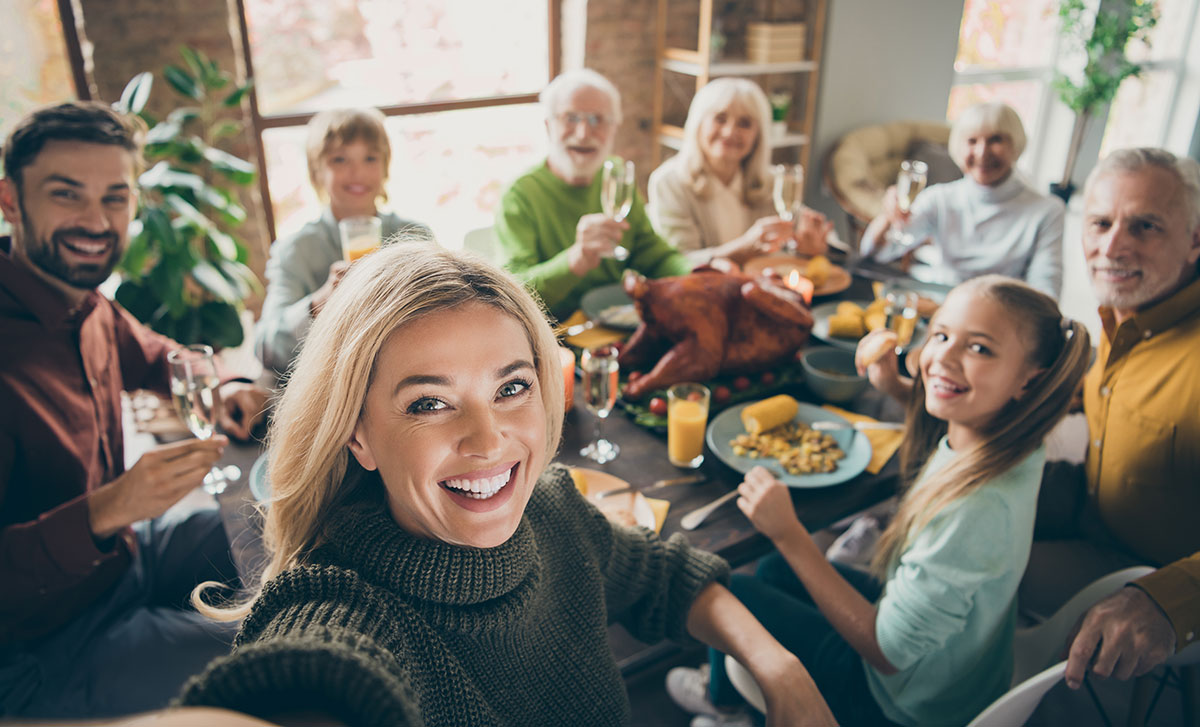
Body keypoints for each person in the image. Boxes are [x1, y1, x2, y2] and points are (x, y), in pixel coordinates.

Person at [176, 243, 836, 727]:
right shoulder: (347, 609)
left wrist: (778, 665)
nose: (488, 438)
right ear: (357, 434)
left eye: (511, 387)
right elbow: (299, 689)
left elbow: (664, 575)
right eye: (428, 402)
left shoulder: (552, 512)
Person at [668, 275, 1091, 727]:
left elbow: (886, 652)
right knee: (773, 568)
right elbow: (957, 424)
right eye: (943, 334)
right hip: (957, 666)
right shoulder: (1015, 441)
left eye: (980, 348)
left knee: (728, 589)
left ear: (1029, 381)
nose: (943, 356)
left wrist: (790, 533)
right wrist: (898, 387)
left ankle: (726, 707)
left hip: (897, 703)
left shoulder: (978, 510)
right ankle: (731, 687)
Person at [0, 102, 270, 718]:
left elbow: (162, 356)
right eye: (67, 195)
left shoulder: (86, 302)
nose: (96, 221)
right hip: (43, 650)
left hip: (127, 558)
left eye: (115, 198)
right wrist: (108, 508)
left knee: (282, 521)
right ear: (10, 200)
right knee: (286, 642)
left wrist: (225, 384)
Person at [1017, 148, 1200, 691]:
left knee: (964, 574)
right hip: (1090, 507)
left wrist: (1170, 601)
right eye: (1100, 223)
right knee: (945, 513)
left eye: (1145, 226)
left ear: (1194, 239)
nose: (1112, 247)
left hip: (1150, 570)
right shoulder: (1126, 314)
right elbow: (1095, 396)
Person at [494, 69, 692, 321]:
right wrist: (575, 260)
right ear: (548, 126)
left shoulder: (617, 176)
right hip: (554, 336)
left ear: (614, 129)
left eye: (598, 120)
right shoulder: (520, 195)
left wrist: (696, 273)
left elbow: (650, 253)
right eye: (571, 118)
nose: (584, 133)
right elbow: (512, 294)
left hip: (616, 322)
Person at [254, 107, 430, 375]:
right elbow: (267, 350)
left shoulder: (414, 237)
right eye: (339, 160)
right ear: (317, 172)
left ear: (385, 168)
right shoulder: (296, 250)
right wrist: (318, 304)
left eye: (370, 158)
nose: (357, 172)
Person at [860, 102, 1065, 298]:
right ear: (958, 147)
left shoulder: (1047, 211)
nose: (982, 152)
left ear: (1016, 145)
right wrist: (889, 216)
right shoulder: (939, 198)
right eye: (972, 141)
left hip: (1002, 316)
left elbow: (1046, 293)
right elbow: (877, 253)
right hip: (940, 307)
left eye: (996, 140)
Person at [648, 78, 832, 266]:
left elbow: (821, 236)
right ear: (698, 123)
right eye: (720, 119)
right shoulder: (669, 182)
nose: (729, 132)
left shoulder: (772, 181)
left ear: (758, 135)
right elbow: (679, 261)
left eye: (744, 124)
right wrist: (744, 247)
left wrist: (814, 247)